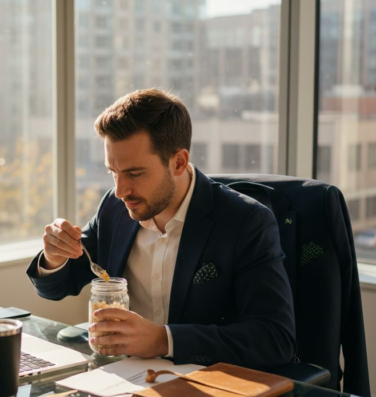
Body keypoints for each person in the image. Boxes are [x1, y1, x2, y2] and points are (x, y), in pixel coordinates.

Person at [26, 89, 295, 367]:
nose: (120, 190)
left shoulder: (246, 221)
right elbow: (56, 288)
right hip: (124, 376)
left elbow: (275, 340)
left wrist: (163, 340)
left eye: (134, 173)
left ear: (178, 162)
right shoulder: (114, 209)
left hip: (204, 383)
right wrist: (54, 257)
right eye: (113, 172)